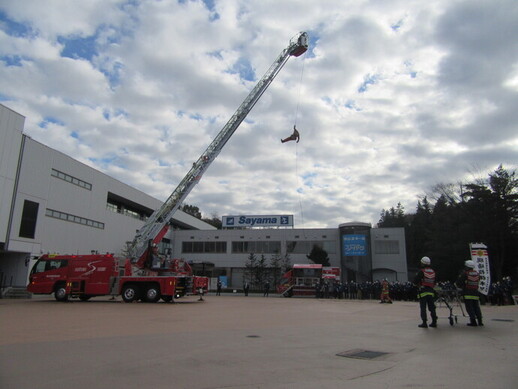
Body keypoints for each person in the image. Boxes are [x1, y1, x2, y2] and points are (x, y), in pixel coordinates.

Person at [456, 260, 483, 326]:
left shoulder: (465, 273)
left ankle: (473, 322)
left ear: (467, 267)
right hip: (476, 293)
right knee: (476, 307)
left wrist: (460, 286)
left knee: (469, 308)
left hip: (468, 293)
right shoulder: (477, 273)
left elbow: (459, 283)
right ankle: (480, 321)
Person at [413, 256, 438, 328]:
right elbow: (435, 282)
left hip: (423, 292)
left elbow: (415, 281)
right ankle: (434, 321)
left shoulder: (422, 271)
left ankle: (424, 322)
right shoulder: (433, 272)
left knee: (423, 308)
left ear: (423, 263)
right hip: (431, 292)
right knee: (432, 307)